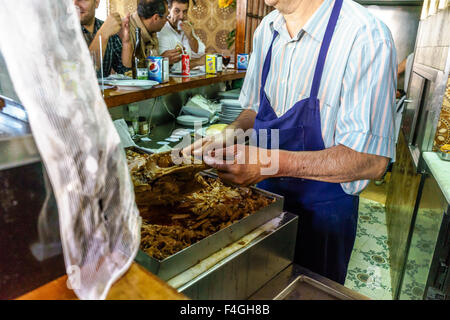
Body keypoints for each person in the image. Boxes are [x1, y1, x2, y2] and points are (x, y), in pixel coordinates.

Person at [184, 0, 397, 284]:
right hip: (262, 205)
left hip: (324, 216)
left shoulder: (364, 35)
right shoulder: (266, 30)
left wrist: (271, 164)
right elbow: (254, 109)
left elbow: (371, 160)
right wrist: (229, 133)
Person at [74, 0, 132, 77]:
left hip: (104, 89)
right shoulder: (60, 32)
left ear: (97, 3)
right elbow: (81, 74)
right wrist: (103, 34)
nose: (74, 4)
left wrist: (126, 43)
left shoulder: (106, 27)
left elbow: (125, 73)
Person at [129, 0, 182, 66]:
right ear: (156, 18)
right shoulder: (127, 32)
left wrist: (168, 59)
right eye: (166, 17)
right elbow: (130, 71)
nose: (167, 21)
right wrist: (161, 61)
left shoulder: (152, 31)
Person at [157, 0, 206, 72]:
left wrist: (190, 36)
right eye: (177, 11)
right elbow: (171, 66)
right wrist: (197, 62)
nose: (181, 16)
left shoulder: (187, 27)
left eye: (185, 11)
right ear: (168, 10)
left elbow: (200, 53)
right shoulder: (160, 30)